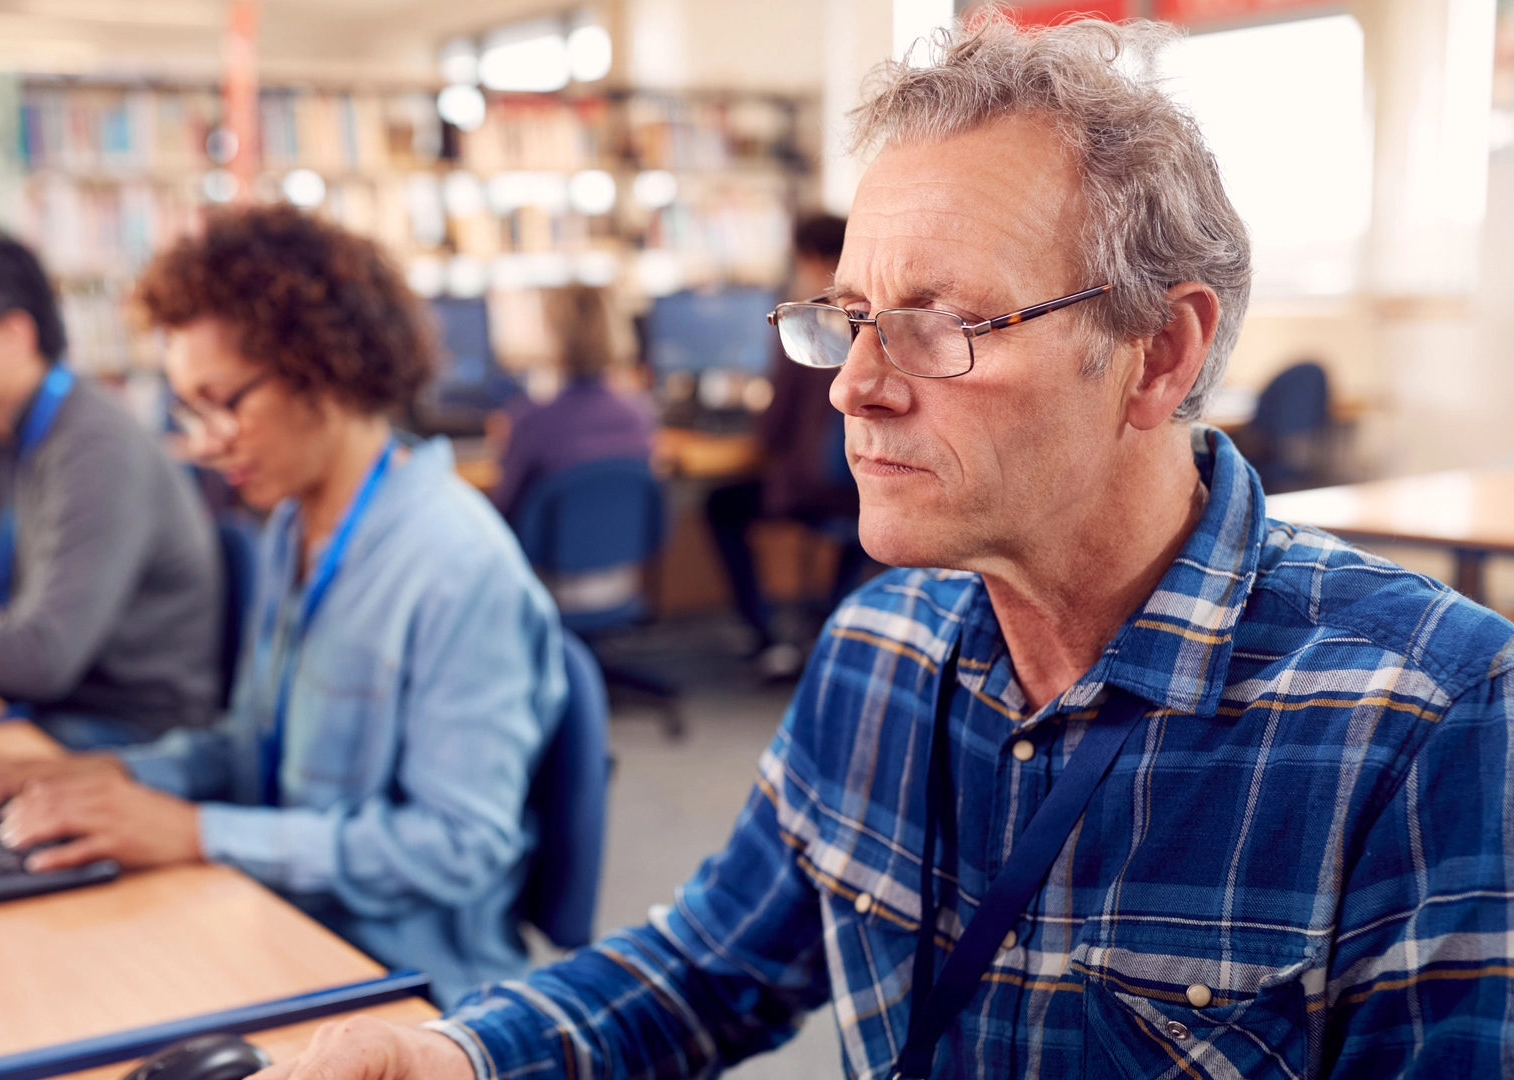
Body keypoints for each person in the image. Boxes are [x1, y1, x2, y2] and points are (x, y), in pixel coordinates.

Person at [257, 19, 1514, 1079]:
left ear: (1162, 353)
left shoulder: (1425, 722)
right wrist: (464, 1055)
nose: (855, 386)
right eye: (849, 319)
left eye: (939, 323)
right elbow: (710, 963)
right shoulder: (880, 645)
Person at [0, 206, 567, 1007]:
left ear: (323, 371)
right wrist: (99, 776)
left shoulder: (456, 567)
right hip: (281, 918)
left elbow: (456, 848)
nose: (205, 440)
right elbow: (250, 750)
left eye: (223, 402)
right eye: (191, 411)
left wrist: (199, 833)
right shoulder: (293, 527)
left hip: (407, 987)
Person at [0, 229, 220, 749]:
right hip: (46, 710)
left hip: (127, 732)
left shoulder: (94, 447)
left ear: (12, 335)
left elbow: (43, 655)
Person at [706, 213, 866, 679]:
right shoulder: (873, 319)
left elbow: (770, 434)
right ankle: (830, 609)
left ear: (809, 258)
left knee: (720, 506)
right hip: (860, 483)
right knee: (852, 513)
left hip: (810, 490)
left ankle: (763, 632)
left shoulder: (806, 323)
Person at [488, 284, 655, 519]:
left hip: (539, 553)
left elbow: (504, 511)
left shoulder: (531, 420)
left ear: (551, 334)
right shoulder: (638, 415)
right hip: (626, 553)